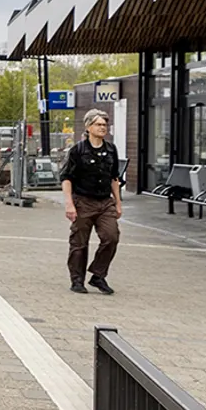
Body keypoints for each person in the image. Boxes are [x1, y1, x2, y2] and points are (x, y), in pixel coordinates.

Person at [59, 108, 122, 294]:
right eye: (99, 124)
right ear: (89, 127)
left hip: (104, 202)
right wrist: (69, 204)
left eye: (105, 124)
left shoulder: (111, 149)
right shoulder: (78, 151)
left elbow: (114, 178)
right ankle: (77, 280)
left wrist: (118, 202)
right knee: (79, 243)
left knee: (111, 237)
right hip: (83, 201)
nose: (103, 128)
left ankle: (98, 275)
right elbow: (66, 178)